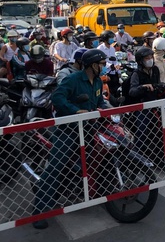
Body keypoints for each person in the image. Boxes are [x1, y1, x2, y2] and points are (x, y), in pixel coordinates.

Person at [32, 48, 108, 229]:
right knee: (55, 169)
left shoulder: (97, 82)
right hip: (69, 131)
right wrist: (75, 111)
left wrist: (106, 108)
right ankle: (39, 212)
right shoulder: (73, 79)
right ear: (93, 65)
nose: (105, 67)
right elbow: (57, 97)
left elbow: (99, 103)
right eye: (102, 64)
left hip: (89, 129)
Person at [97, 29, 120, 95]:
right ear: (105, 39)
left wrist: (118, 70)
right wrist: (110, 66)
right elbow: (100, 62)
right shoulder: (100, 49)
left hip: (113, 72)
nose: (112, 39)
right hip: (105, 73)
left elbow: (115, 60)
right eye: (110, 38)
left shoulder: (112, 48)